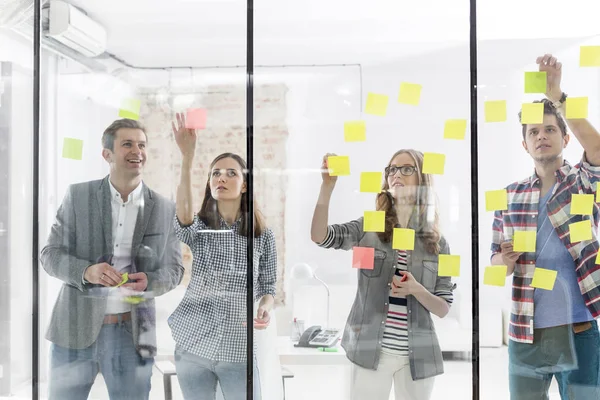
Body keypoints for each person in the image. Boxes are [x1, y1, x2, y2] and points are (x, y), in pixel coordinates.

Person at [41, 118, 185, 400]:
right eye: (127, 144)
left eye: (142, 145)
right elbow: (50, 254)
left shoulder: (164, 208)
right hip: (73, 331)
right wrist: (86, 271)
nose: (137, 151)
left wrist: (151, 281)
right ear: (107, 154)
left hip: (131, 336)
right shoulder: (78, 196)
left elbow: (175, 269)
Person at [490, 54, 600, 400]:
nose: (542, 136)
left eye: (550, 129)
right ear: (524, 144)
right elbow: (496, 265)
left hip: (579, 332)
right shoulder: (508, 196)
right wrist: (505, 261)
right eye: (533, 132)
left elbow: (597, 147)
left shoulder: (582, 183)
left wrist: (557, 95)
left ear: (566, 139)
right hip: (525, 335)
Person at [311, 149, 455, 400]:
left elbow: (444, 309)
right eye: (392, 169)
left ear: (422, 179)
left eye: (407, 168)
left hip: (418, 357)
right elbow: (320, 236)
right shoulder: (370, 225)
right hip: (369, 351)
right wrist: (327, 187)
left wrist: (416, 289)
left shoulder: (439, 243)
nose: (397, 174)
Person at [169, 112, 277, 400]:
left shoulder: (263, 236)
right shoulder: (200, 227)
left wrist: (265, 306)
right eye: (216, 172)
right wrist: (187, 157)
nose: (222, 178)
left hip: (239, 347)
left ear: (244, 185)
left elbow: (268, 288)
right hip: (194, 345)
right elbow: (181, 219)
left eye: (231, 173)